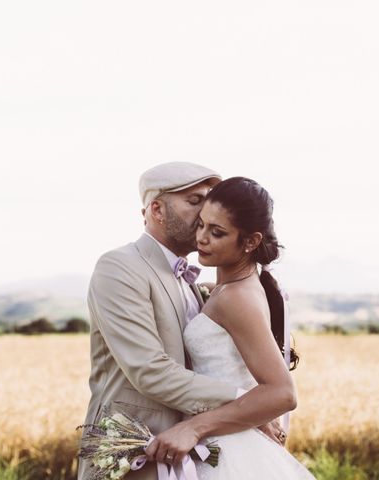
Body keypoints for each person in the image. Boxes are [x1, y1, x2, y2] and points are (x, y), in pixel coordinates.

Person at [77, 164, 286, 480]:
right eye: (194, 200)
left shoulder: (198, 284)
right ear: (157, 210)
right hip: (136, 455)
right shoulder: (120, 267)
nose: (206, 208)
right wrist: (250, 406)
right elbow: (150, 370)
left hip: (196, 454)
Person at [145, 176, 313, 479]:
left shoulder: (236, 298)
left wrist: (193, 427)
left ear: (250, 241)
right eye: (201, 225)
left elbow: (283, 393)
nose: (202, 238)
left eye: (217, 232)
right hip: (222, 441)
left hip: (228, 450)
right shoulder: (230, 290)